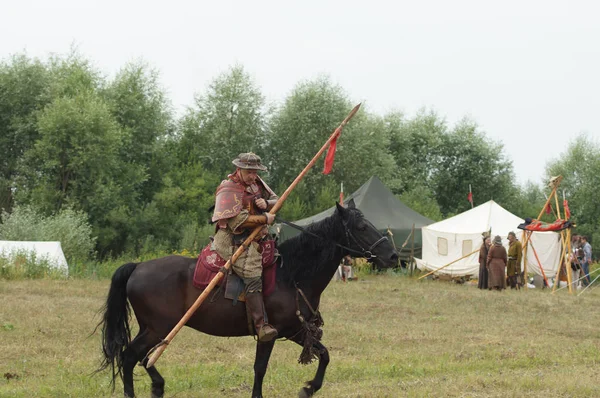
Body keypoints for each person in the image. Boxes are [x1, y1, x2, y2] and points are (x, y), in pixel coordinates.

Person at [211, 152, 278, 342]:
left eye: (256, 172)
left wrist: (267, 203)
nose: (253, 176)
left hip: (256, 236)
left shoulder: (256, 183)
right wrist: (265, 218)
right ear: (239, 169)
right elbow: (236, 222)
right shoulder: (228, 188)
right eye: (249, 172)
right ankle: (261, 325)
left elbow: (276, 199)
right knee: (252, 267)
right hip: (230, 238)